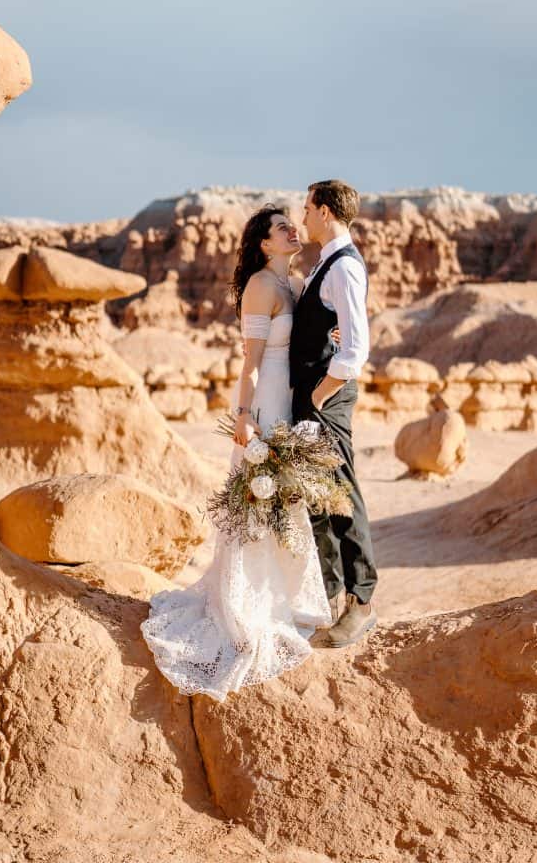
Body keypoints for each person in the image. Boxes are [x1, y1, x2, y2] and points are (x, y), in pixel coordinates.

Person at [141, 205, 331, 702]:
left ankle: (281, 599)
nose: (293, 230)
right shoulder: (263, 287)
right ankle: (246, 609)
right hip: (264, 403)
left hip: (286, 403)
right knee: (258, 501)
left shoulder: (292, 284)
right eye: (281, 228)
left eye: (294, 223)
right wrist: (244, 417)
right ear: (265, 244)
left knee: (281, 502)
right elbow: (249, 361)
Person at [290, 179, 378, 648]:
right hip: (313, 395)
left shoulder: (344, 267)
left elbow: (355, 346)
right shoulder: (327, 262)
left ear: (325, 212)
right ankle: (332, 595)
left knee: (341, 493)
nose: (302, 216)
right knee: (316, 496)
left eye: (306, 207)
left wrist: (322, 395)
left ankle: (362, 602)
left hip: (327, 398)